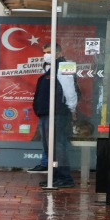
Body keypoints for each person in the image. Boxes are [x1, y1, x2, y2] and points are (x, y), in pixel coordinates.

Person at [31, 43, 77, 188]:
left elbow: (70, 90)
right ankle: (55, 175)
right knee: (50, 148)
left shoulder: (64, 66)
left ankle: (64, 177)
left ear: (59, 52)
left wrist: (71, 108)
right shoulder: (49, 68)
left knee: (58, 146)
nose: (46, 55)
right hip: (46, 113)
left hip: (57, 113)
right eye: (44, 52)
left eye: (49, 52)